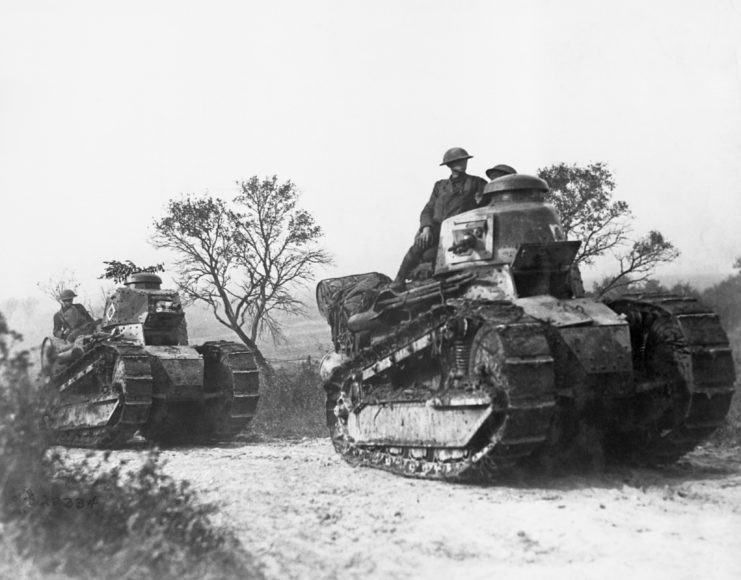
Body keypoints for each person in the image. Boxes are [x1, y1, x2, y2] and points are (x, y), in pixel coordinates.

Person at [390, 148, 487, 290]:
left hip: (462, 228)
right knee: (419, 246)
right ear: (449, 165)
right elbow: (428, 209)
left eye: (463, 160)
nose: (462, 163)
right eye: (457, 161)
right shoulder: (440, 186)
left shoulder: (476, 182)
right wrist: (426, 228)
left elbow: (488, 202)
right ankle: (399, 279)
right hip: (437, 228)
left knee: (443, 257)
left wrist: (481, 200)